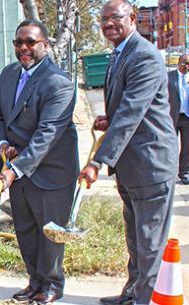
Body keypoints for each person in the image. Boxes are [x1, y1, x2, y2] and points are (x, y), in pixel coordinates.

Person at [79, 1, 178, 305]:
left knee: (149, 243)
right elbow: (126, 108)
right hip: (131, 166)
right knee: (135, 239)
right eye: (103, 19)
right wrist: (108, 119)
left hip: (150, 164)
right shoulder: (120, 53)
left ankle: (145, 300)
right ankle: (132, 293)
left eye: (115, 17)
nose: (108, 23)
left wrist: (97, 161)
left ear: (133, 18)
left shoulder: (144, 55)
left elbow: (132, 113)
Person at [0, 19, 78, 304]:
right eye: (19, 42)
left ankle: (52, 285)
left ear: (45, 44)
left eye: (31, 42)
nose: (24, 48)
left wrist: (13, 171)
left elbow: (47, 134)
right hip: (20, 170)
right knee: (26, 231)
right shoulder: (8, 75)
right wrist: (3, 143)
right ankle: (34, 282)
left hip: (51, 173)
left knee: (50, 234)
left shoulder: (58, 83)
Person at [167, 54, 189, 184]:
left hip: (186, 117)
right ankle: (168, 173)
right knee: (170, 146)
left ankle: (184, 172)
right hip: (171, 116)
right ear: (178, 63)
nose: (187, 66)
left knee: (187, 146)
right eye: (184, 63)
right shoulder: (169, 77)